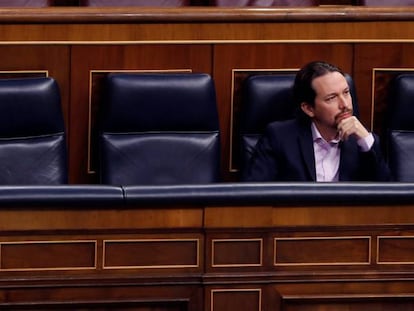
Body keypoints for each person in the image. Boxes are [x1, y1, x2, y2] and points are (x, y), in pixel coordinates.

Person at [242, 60, 391, 182]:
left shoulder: (362, 143)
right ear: (308, 109)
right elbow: (254, 195)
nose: (344, 104)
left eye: (346, 93)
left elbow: (389, 199)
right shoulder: (279, 137)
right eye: (331, 98)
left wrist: (366, 142)